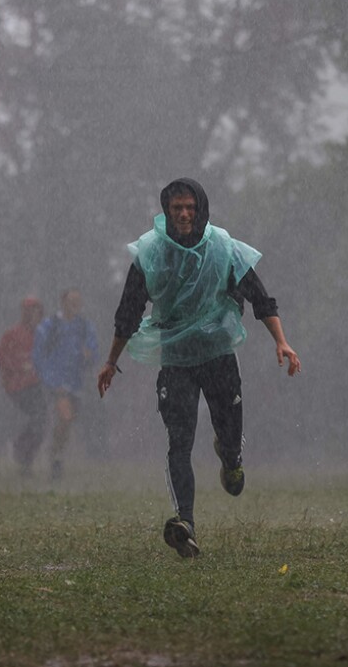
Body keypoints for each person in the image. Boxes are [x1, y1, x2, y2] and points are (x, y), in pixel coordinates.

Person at [97, 177, 301, 558]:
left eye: (190, 207)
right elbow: (128, 312)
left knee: (229, 441)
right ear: (167, 211)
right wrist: (111, 361)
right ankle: (184, 522)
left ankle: (231, 458)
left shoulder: (222, 247)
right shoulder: (151, 254)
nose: (185, 214)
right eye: (177, 208)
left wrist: (282, 341)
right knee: (180, 440)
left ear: (201, 209)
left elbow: (260, 297)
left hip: (219, 356)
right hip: (176, 360)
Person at [33, 289, 98, 480]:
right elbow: (38, 356)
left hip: (75, 383)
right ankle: (55, 458)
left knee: (66, 423)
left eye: (78, 301)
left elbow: (93, 353)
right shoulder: (49, 326)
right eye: (72, 301)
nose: (75, 305)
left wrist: (89, 356)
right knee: (65, 416)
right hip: (55, 383)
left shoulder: (85, 327)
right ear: (62, 302)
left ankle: (55, 454)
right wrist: (50, 380)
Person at [0, 297, 47, 476]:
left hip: (37, 384)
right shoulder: (12, 334)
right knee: (39, 417)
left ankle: (25, 457)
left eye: (37, 311)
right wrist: (20, 367)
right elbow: (1, 356)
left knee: (41, 421)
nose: (34, 315)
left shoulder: (43, 334)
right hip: (18, 386)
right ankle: (21, 449)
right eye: (30, 311)